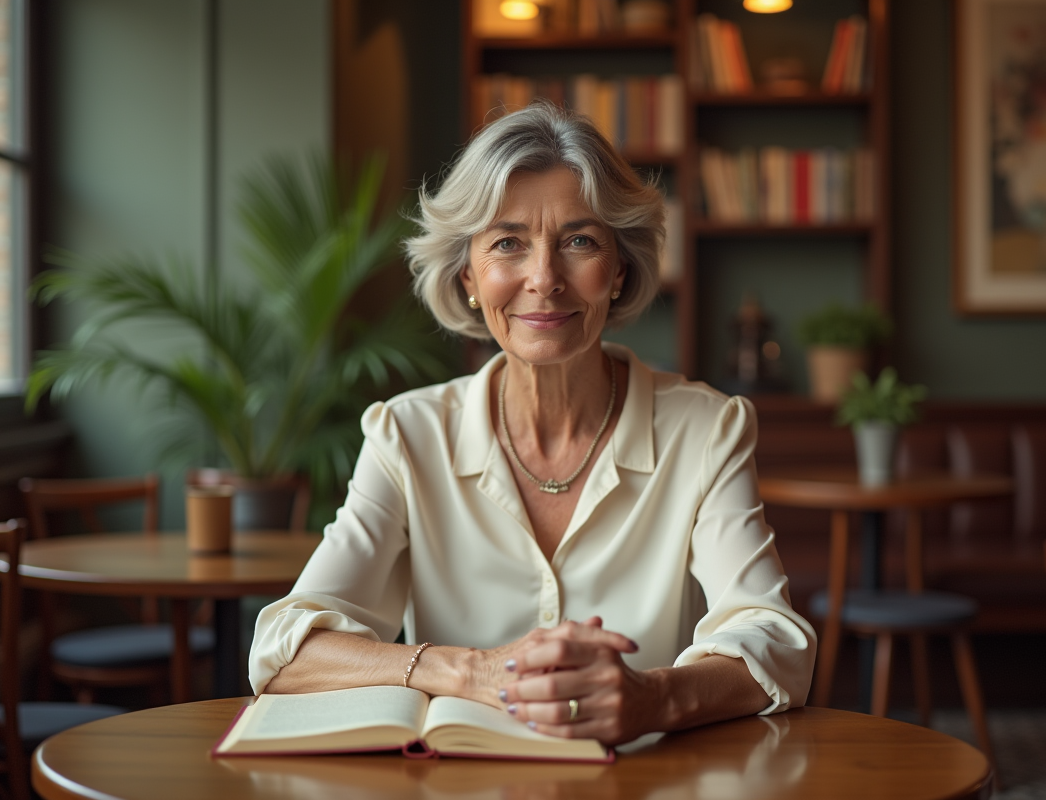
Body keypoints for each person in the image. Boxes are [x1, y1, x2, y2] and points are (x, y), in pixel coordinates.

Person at [249, 102, 815, 746]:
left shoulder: (706, 430)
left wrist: (654, 698)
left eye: (580, 241)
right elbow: (284, 649)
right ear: (468, 274)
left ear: (619, 269)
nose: (544, 279)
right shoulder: (407, 435)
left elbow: (776, 641)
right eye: (508, 243)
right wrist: (467, 671)